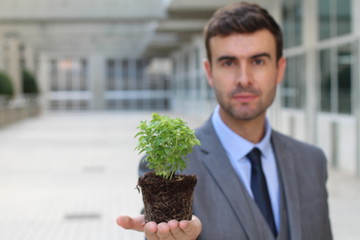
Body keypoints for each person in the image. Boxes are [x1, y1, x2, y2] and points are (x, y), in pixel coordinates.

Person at [117, 2, 333, 239]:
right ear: (209, 72)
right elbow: (158, 228)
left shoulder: (312, 161)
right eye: (228, 63)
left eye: (258, 61)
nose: (244, 78)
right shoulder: (170, 164)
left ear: (279, 69)